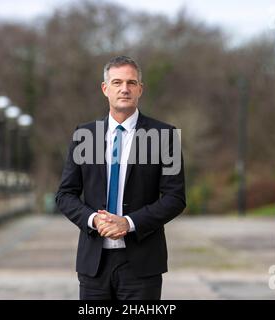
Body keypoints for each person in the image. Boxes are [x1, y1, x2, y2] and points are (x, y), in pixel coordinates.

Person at [55, 56, 186, 300]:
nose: (124, 89)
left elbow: (175, 198)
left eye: (131, 83)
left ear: (140, 89)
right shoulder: (85, 135)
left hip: (142, 263)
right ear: (105, 89)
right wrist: (94, 220)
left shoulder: (166, 136)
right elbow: (65, 195)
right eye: (117, 82)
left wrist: (129, 223)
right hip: (94, 264)